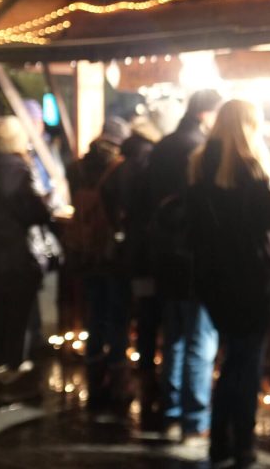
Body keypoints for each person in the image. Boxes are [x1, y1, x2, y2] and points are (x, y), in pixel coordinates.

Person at [186, 100, 270, 468]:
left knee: (234, 358)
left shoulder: (200, 163)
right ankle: (240, 442)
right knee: (245, 363)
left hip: (215, 278)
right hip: (253, 277)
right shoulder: (250, 166)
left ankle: (221, 440)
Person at [145, 89, 222, 441]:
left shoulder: (163, 146)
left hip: (164, 255)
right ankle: (195, 418)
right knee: (199, 340)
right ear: (209, 113)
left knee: (174, 336)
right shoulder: (203, 151)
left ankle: (171, 409)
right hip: (194, 257)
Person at [66, 116, 133, 416]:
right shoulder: (120, 169)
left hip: (85, 251)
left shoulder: (77, 167)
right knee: (117, 314)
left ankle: (93, 372)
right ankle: (118, 379)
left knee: (95, 311)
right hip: (113, 253)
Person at [0, 116, 54, 399]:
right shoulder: (19, 169)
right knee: (18, 313)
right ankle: (13, 364)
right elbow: (36, 212)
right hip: (17, 253)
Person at [109, 114, 163, 422]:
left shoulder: (124, 160)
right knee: (150, 312)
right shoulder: (146, 161)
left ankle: (140, 368)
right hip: (146, 251)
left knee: (141, 310)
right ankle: (147, 371)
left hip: (133, 249)